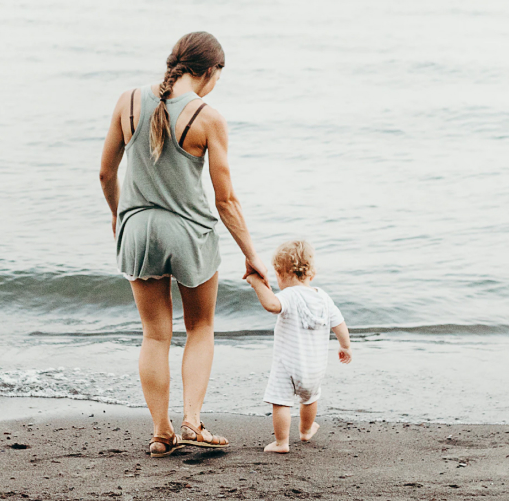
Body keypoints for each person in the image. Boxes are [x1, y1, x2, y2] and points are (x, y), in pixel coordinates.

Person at [99, 31, 271, 457]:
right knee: (200, 328)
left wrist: (121, 218)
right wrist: (253, 256)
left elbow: (105, 174)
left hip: (138, 229)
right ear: (209, 72)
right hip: (189, 232)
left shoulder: (128, 101)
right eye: (217, 77)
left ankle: (162, 432)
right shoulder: (208, 118)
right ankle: (192, 420)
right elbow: (225, 198)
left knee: (155, 336)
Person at [245, 240, 353, 454]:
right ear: (310, 274)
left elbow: (272, 305)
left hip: (288, 365)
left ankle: (281, 442)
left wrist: (257, 283)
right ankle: (305, 431)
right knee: (310, 398)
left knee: (281, 403)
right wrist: (345, 346)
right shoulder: (323, 297)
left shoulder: (289, 295)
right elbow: (339, 323)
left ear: (281, 274)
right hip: (315, 366)